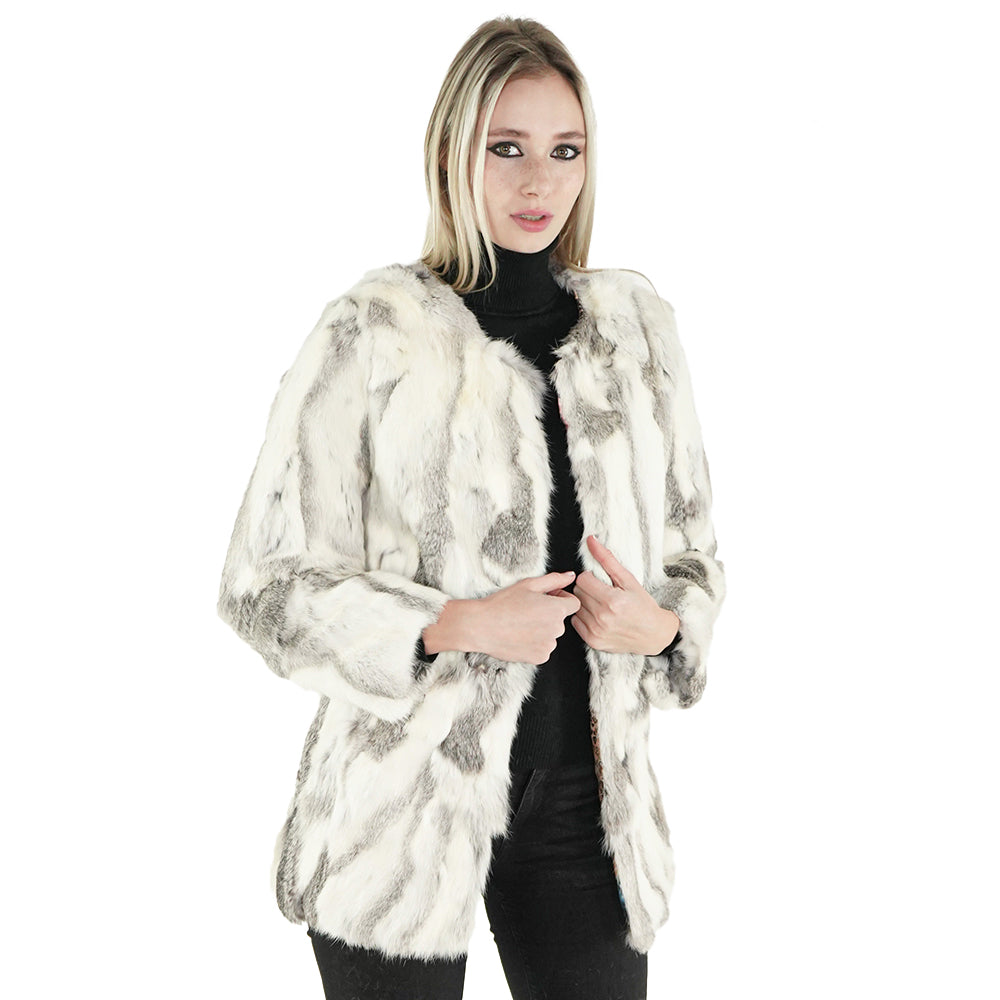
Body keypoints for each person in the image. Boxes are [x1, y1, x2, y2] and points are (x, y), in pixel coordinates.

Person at [217, 16, 725, 1000]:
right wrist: (452, 623)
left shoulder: (636, 333)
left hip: (588, 812)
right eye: (506, 148)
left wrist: (662, 630)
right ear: (451, 152)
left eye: (565, 150)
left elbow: (694, 557)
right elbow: (262, 586)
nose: (538, 182)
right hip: (396, 814)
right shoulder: (373, 332)